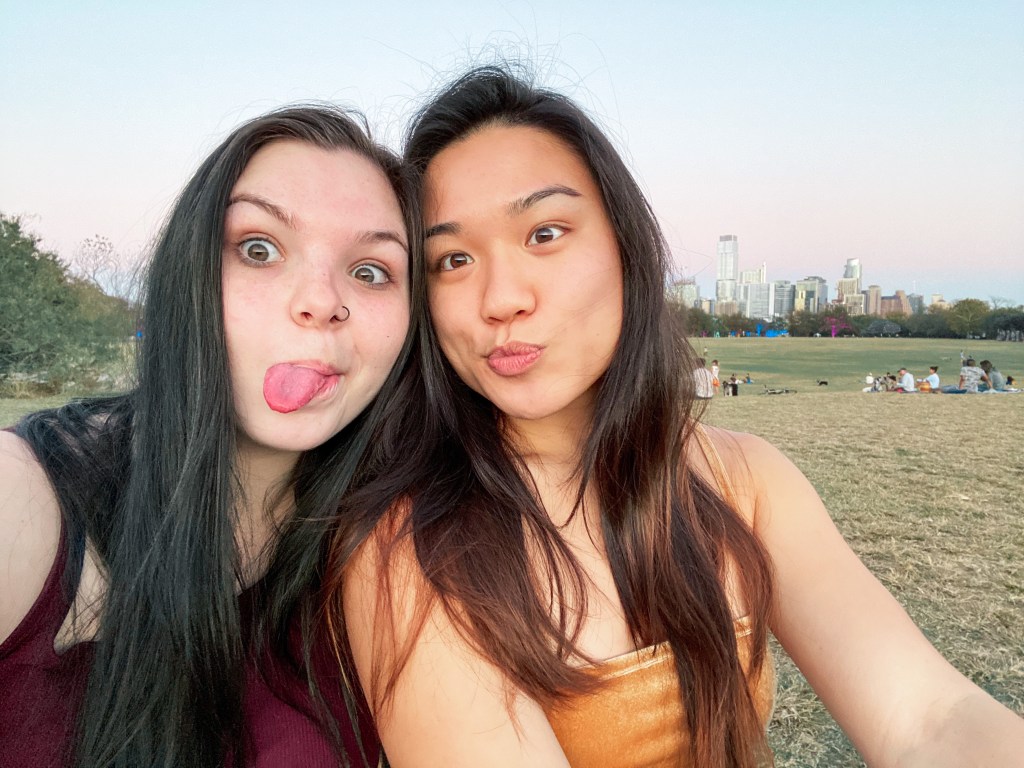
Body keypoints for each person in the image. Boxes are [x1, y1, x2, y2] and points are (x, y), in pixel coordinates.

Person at [338, 67, 1024, 767]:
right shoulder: (407, 546)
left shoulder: (745, 478)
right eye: (453, 259)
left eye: (544, 233)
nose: (501, 298)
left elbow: (928, 718)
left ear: (625, 247)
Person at [0, 106, 418, 767]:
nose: (320, 301)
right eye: (259, 249)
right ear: (186, 273)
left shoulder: (392, 542)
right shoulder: (21, 502)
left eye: (370, 271)